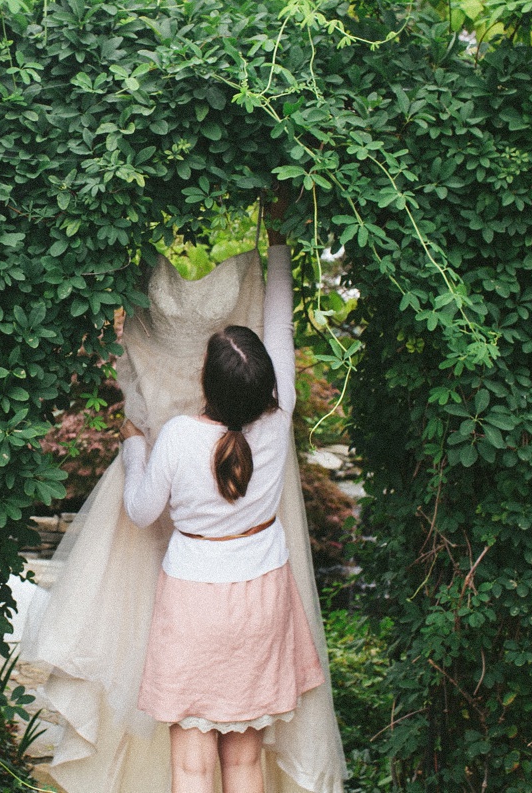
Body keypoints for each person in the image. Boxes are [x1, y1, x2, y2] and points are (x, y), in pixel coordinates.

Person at [118, 227, 325, 793]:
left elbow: (140, 511)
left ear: (204, 381)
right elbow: (279, 323)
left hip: (193, 602)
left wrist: (136, 443)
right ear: (265, 388)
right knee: (243, 763)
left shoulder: (180, 437)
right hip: (262, 598)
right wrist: (278, 239)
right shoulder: (277, 420)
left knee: (191, 766)